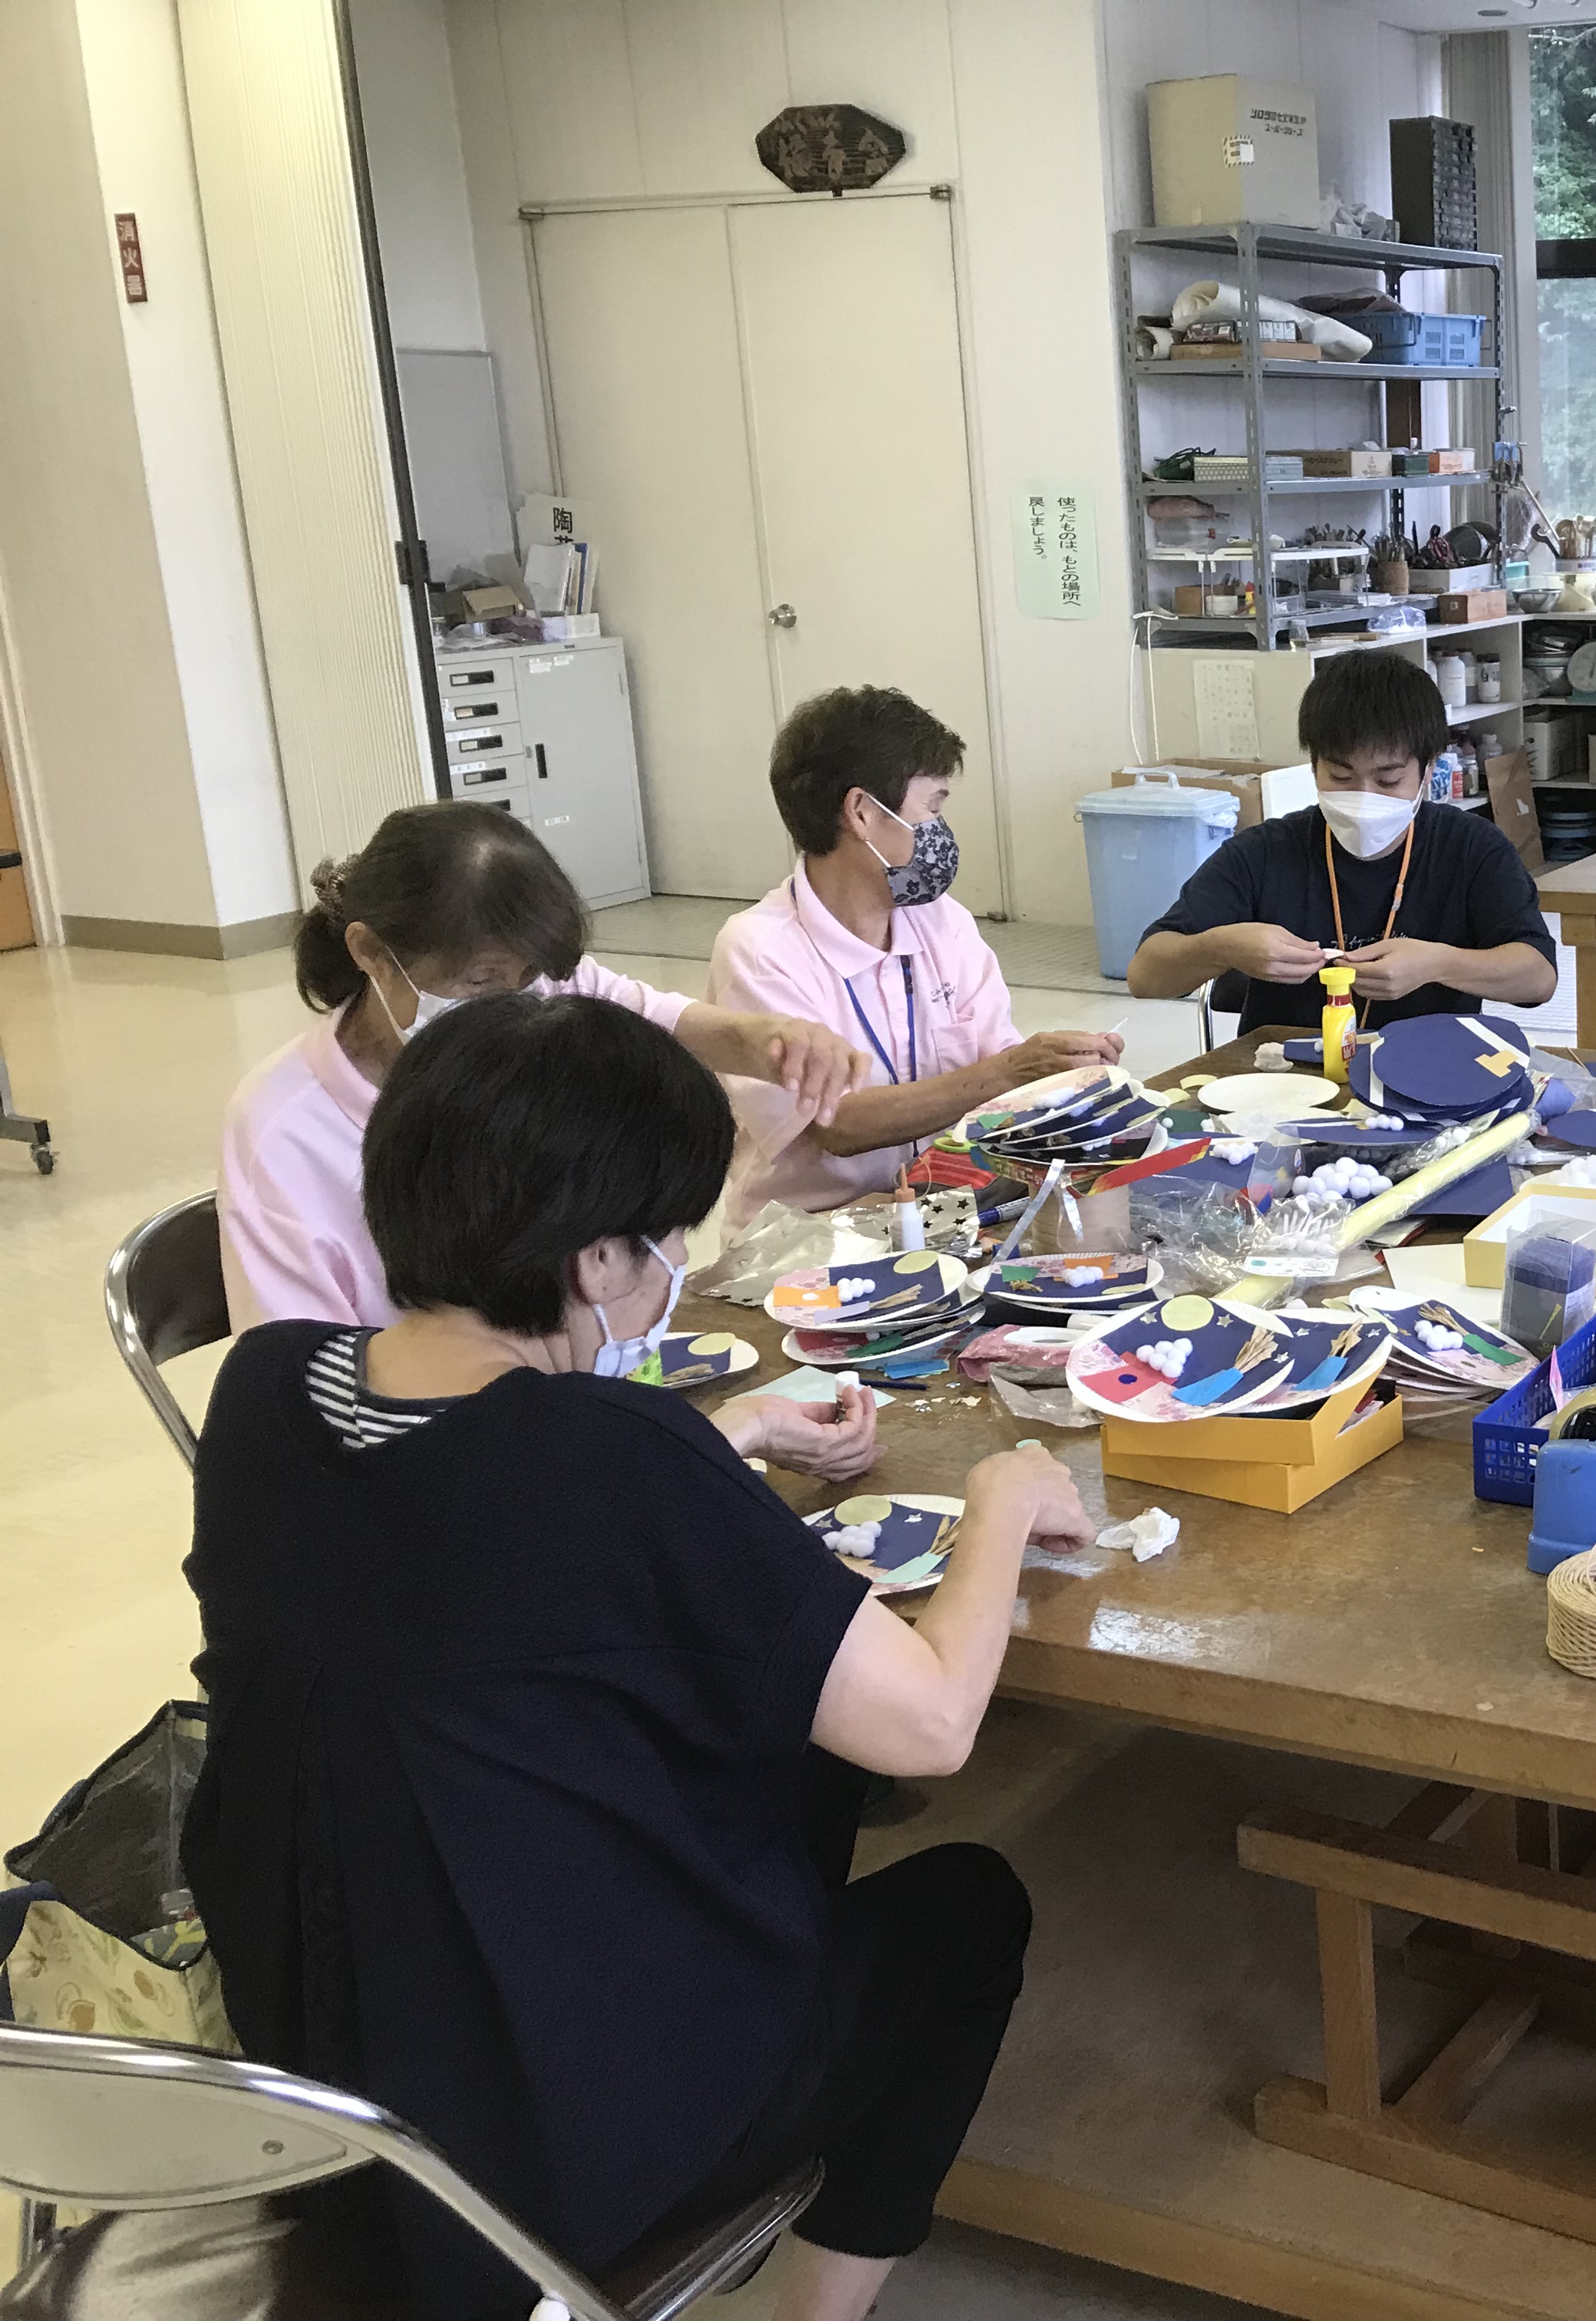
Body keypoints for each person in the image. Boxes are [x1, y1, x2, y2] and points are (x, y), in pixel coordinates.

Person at [184, 992, 1094, 2321]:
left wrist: (725, 1438)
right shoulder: (614, 1452)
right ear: (598, 1258)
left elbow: (459, 1532)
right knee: (965, 1908)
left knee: (796, 1754)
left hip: (314, 2082)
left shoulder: (264, 1391)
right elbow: (934, 1724)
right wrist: (1006, 1498)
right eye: (666, 1240)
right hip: (538, 2152)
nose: (673, 1267)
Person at [220, 803, 869, 1330]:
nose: (512, 1005)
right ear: (370, 952)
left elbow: (653, 1020)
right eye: (481, 981)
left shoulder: (542, 990)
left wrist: (771, 1040)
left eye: (528, 980)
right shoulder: (284, 1131)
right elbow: (298, 1376)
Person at [707, 685, 1122, 1217]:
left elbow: (1001, 1069)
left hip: (944, 1209)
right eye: (932, 807)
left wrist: (1061, 1070)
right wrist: (1012, 1071)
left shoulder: (941, 921)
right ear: (861, 813)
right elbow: (836, 1124)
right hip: (816, 1237)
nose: (940, 831)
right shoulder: (760, 951)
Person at [1126, 648, 1558, 1035]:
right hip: (1284, 1077)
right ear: (1314, 766)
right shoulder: (1263, 852)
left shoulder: (1471, 848)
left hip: (1427, 1075)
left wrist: (1438, 964)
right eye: (1341, 777)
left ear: (1428, 770)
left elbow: (1538, 977)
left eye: (1388, 780)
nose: (1364, 798)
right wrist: (1222, 948)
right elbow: (1145, 976)